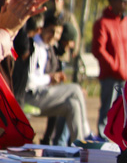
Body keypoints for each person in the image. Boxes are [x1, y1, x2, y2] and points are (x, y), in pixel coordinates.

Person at [24, 12, 93, 143]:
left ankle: (80, 146)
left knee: (72, 105)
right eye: (51, 31)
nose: (54, 36)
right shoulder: (34, 46)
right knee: (75, 89)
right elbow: (29, 81)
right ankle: (88, 134)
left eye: (58, 33)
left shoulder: (48, 48)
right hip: (29, 97)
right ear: (42, 29)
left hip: (42, 96)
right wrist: (50, 79)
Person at [91, 0, 127, 134]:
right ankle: (103, 138)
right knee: (107, 110)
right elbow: (98, 49)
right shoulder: (102, 23)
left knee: (124, 112)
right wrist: (115, 66)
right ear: (112, 1)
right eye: (122, 0)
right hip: (110, 77)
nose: (125, 4)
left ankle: (119, 139)